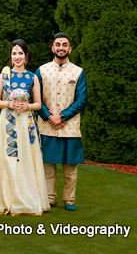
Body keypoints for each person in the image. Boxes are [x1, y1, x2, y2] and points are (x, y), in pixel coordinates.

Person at [0, 40, 49, 216]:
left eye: (21, 53)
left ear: (26, 56)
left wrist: (26, 106)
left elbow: (38, 104)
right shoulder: (4, 76)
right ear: (11, 56)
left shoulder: (32, 77)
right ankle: (5, 198)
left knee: (26, 157)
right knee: (6, 157)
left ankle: (26, 198)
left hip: (25, 122)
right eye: (14, 53)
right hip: (8, 122)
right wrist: (10, 103)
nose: (17, 57)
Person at [35, 33, 88, 211]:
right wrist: (49, 116)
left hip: (70, 127)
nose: (61, 47)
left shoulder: (78, 72)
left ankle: (69, 200)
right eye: (58, 44)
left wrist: (62, 116)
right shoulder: (41, 70)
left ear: (70, 49)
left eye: (64, 44)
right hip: (46, 125)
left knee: (70, 168)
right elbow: (36, 98)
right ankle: (50, 198)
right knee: (48, 166)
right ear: (52, 48)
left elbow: (81, 99)